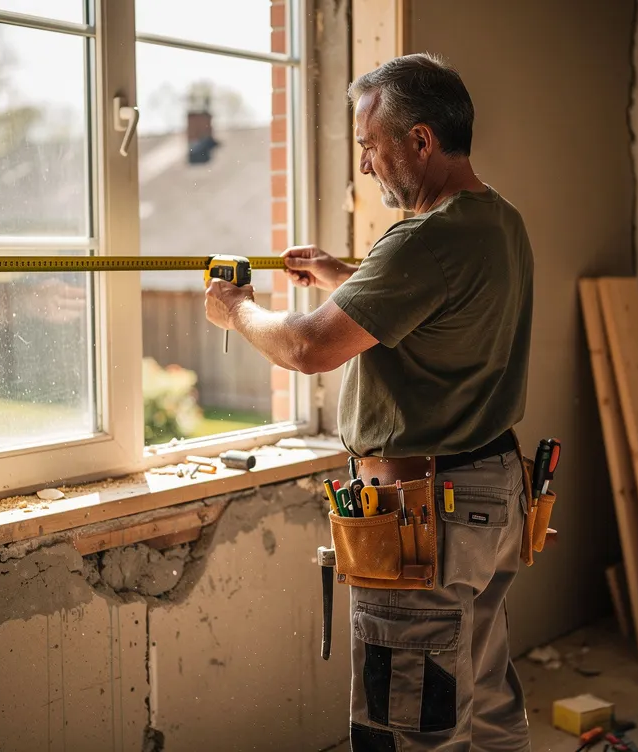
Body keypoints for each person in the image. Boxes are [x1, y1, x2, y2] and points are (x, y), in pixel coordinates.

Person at [205, 52, 535, 751]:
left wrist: (236, 310)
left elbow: (305, 348)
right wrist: (342, 276)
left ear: (420, 139)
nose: (364, 165)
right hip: (492, 493)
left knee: (411, 724)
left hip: (426, 513)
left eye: (369, 146)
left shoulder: (425, 240)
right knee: (481, 699)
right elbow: (438, 301)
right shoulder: (497, 220)